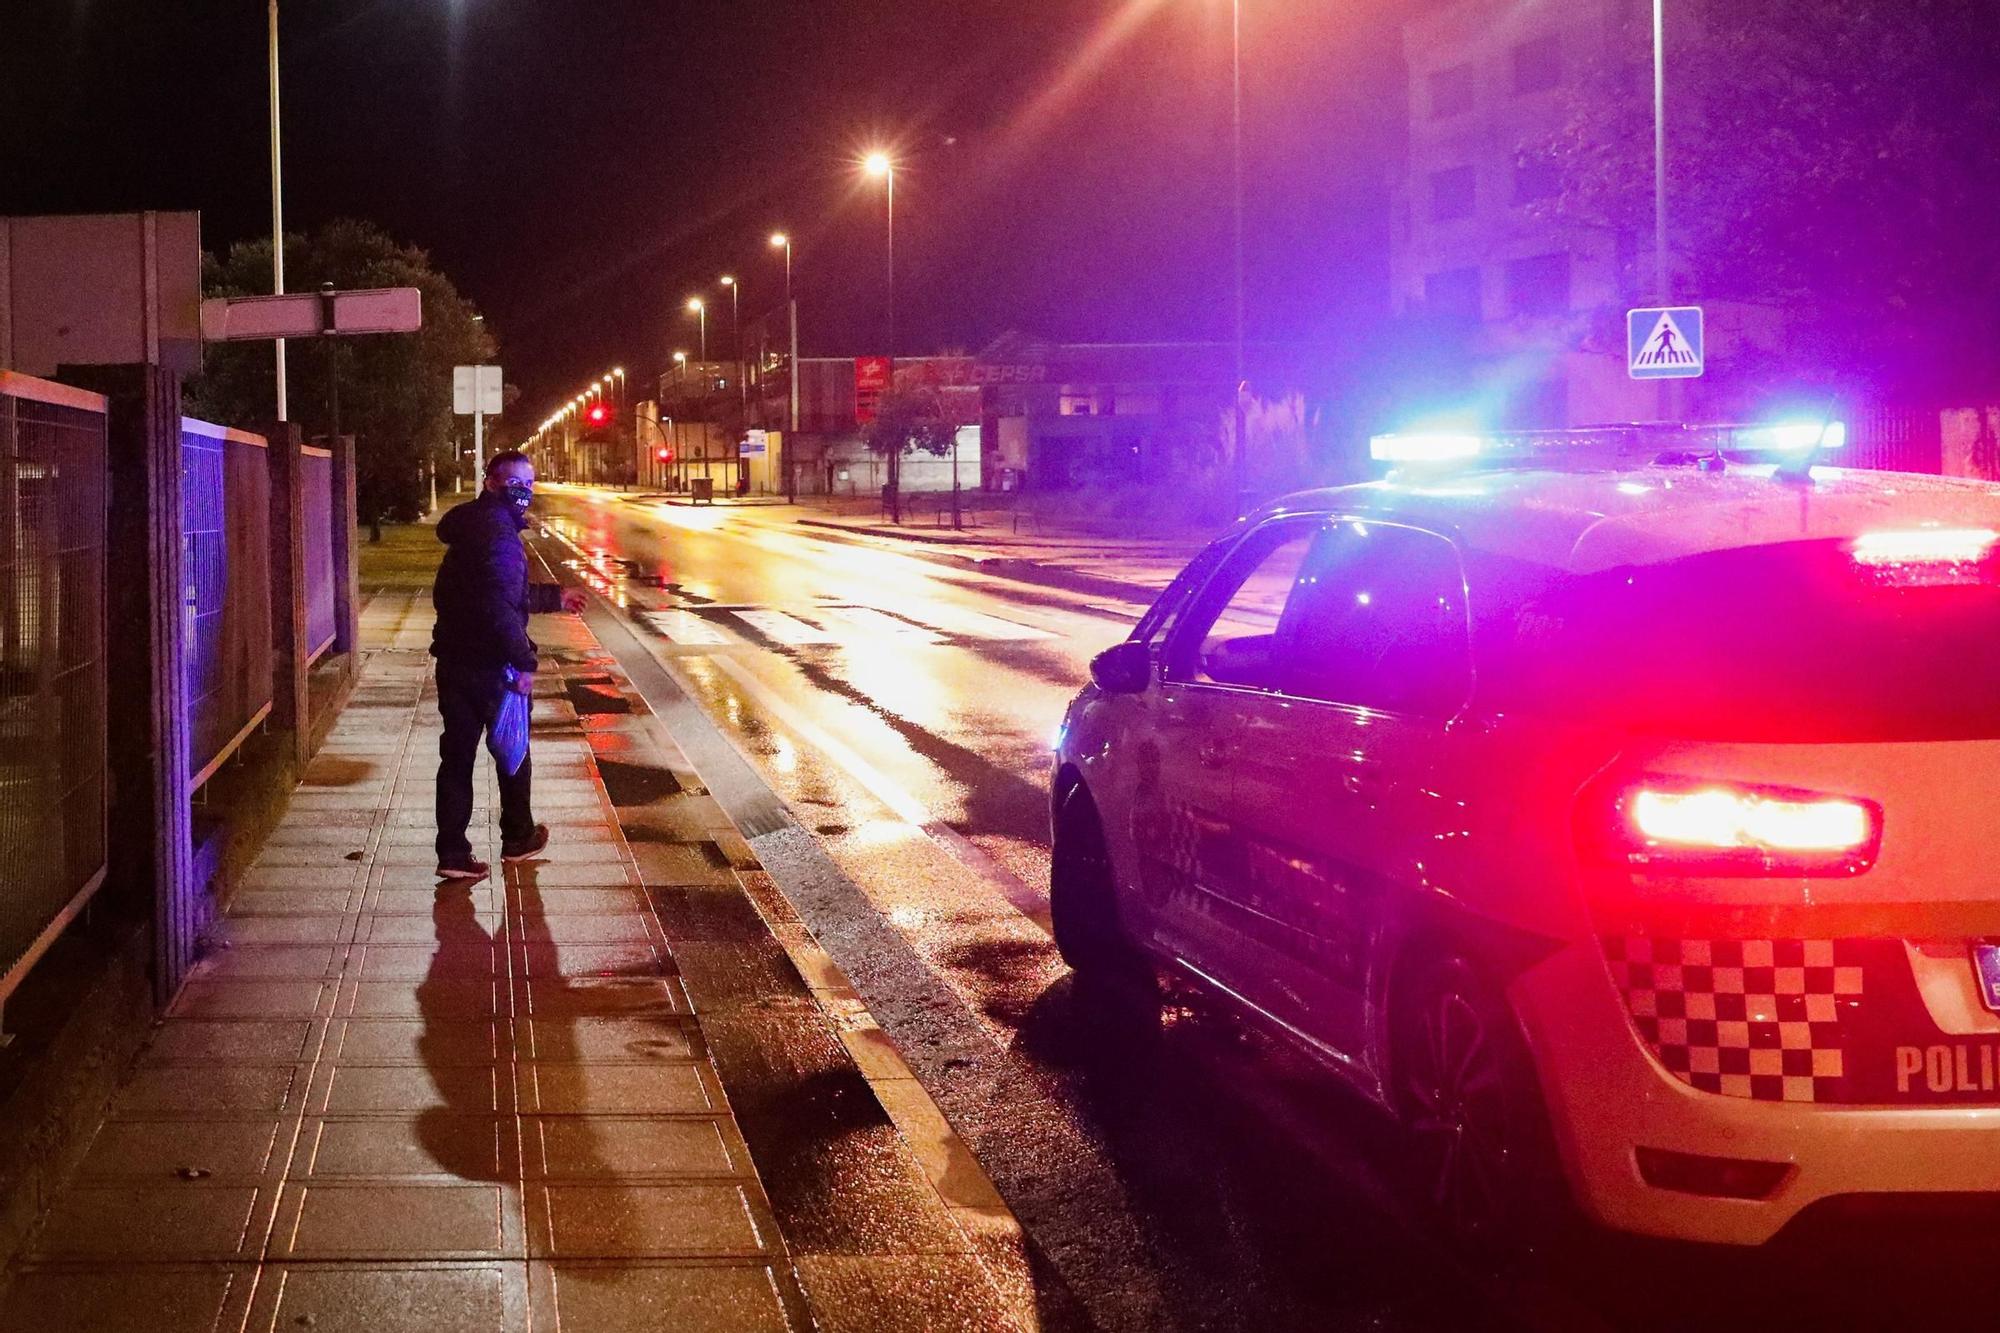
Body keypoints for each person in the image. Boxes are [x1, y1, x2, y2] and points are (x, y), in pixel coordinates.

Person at [430, 450, 586, 880]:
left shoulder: (472, 528)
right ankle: (517, 837)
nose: (525, 491)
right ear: (492, 482)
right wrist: (524, 661)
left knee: (457, 758)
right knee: (513, 751)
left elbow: (490, 591)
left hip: (454, 661)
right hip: (493, 668)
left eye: (530, 483)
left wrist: (554, 597)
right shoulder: (500, 535)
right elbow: (499, 606)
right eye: (517, 482)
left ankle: (453, 854)